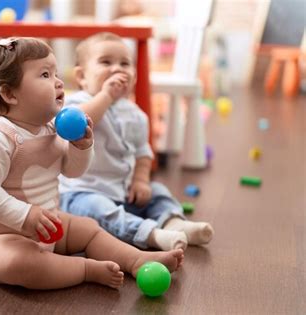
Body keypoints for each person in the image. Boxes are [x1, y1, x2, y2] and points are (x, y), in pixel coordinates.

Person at [0, 37, 184, 290]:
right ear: (10, 94)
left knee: (88, 228)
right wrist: (25, 215)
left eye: (55, 73)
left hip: (46, 226)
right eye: (45, 74)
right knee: (20, 263)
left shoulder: (53, 129)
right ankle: (85, 269)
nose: (58, 81)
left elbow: (72, 171)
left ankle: (136, 259)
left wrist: (81, 146)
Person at [59, 33, 214, 251]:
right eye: (106, 62)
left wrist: (140, 181)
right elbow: (77, 127)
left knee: (157, 189)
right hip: (81, 194)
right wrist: (106, 96)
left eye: (125, 63)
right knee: (98, 208)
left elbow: (143, 153)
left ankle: (174, 222)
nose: (117, 68)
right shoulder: (77, 103)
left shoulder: (136, 114)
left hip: (124, 192)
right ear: (82, 76)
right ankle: (151, 234)